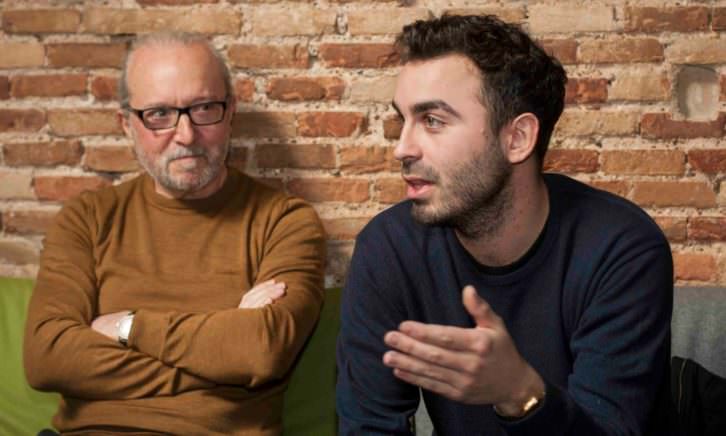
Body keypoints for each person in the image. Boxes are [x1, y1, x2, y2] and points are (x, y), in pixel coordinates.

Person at [336, 14, 673, 435]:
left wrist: (520, 394)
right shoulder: (388, 249)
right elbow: (369, 427)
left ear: (517, 139)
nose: (402, 147)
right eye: (400, 119)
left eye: (433, 121)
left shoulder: (621, 248)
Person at [24, 33, 326, 435]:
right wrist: (222, 352)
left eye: (204, 108)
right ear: (127, 124)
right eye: (160, 114)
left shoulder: (285, 221)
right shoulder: (87, 218)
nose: (185, 134)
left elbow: (262, 351)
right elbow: (47, 357)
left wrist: (127, 328)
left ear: (230, 111)